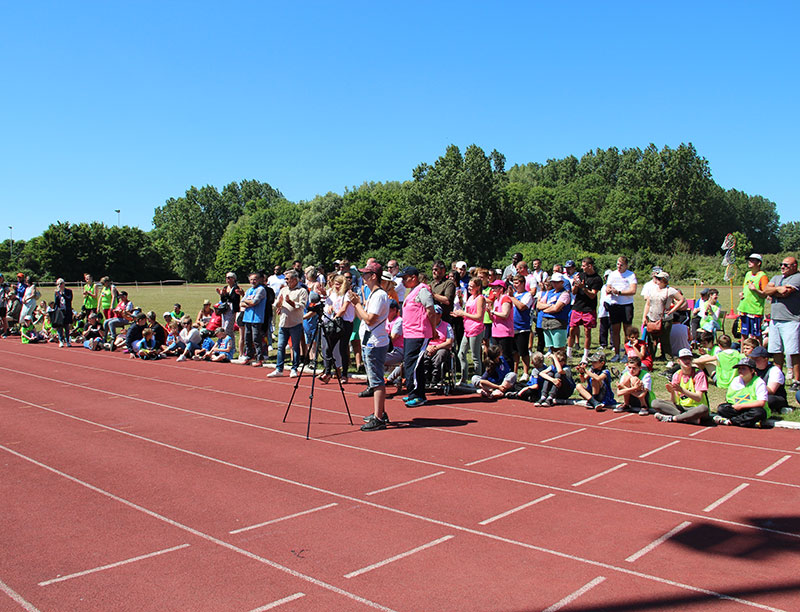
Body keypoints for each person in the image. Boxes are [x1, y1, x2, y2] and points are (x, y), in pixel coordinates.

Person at [348, 262, 391, 431]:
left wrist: (357, 304)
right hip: (371, 340)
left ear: (374, 276)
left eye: (366, 274)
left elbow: (370, 319)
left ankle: (379, 418)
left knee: (377, 381)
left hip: (375, 342)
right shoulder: (374, 294)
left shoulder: (379, 295)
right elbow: (365, 316)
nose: (363, 277)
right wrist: (356, 304)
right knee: (375, 379)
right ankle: (380, 412)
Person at [397, 266, 437, 408]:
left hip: (419, 333)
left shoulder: (423, 290)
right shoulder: (413, 291)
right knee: (411, 363)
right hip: (410, 333)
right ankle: (414, 392)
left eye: (404, 278)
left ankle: (418, 395)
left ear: (413, 277)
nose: (402, 281)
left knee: (413, 364)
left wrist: (433, 329)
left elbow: (430, 310)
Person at [763, 256, 800, 390]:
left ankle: (797, 380)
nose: (782, 267)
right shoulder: (777, 277)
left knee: (793, 352)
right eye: (781, 264)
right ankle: (778, 378)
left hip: (791, 320)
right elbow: (765, 291)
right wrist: (777, 289)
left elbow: (786, 292)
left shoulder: (797, 278)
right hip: (775, 319)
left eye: (786, 265)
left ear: (794, 266)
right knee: (776, 350)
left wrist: (775, 291)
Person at [652, 348, 711, 425]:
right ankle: (687, 418)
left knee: (703, 408)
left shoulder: (699, 374)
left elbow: (698, 398)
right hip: (681, 408)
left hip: (695, 408)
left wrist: (682, 390)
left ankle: (674, 418)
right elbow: (674, 402)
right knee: (655, 403)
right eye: (684, 359)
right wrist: (672, 392)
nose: (687, 361)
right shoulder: (677, 375)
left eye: (689, 358)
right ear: (678, 361)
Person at [268, 270, 308, 378]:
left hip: (295, 323)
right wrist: (279, 304)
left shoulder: (302, 291)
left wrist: (291, 303)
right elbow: (277, 304)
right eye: (285, 279)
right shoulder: (283, 290)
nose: (285, 281)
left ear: (295, 280)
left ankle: (294, 368)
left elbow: (302, 305)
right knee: (281, 347)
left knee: (295, 347)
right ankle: (279, 369)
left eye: (287, 279)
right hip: (283, 323)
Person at [643, 270, 686, 365]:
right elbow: (648, 304)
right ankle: (650, 359)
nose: (656, 280)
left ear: (664, 280)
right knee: (651, 340)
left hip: (665, 319)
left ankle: (669, 359)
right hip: (652, 318)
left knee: (664, 340)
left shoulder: (670, 290)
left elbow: (681, 299)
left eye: (658, 278)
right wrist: (644, 316)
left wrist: (673, 310)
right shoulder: (653, 289)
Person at [319, 273, 355, 383]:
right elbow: (330, 304)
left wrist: (336, 316)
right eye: (335, 284)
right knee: (328, 348)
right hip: (335, 322)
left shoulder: (348, 294)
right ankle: (328, 372)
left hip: (345, 323)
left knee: (343, 348)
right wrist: (329, 306)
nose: (337, 286)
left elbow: (344, 308)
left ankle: (344, 374)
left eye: (339, 284)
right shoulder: (333, 293)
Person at [714, 357, 769, 427]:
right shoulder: (736, 380)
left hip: (752, 408)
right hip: (738, 409)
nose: (740, 370)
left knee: (759, 412)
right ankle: (748, 422)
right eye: (739, 368)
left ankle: (732, 421)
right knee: (722, 408)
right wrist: (735, 407)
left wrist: (741, 406)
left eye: (743, 368)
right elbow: (730, 399)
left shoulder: (759, 382)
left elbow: (761, 403)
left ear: (752, 371)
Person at [452, 277, 486, 386]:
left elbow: (479, 316)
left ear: (478, 287)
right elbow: (467, 312)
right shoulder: (471, 297)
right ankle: (464, 378)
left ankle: (477, 380)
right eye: (469, 286)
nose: (470, 288)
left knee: (475, 356)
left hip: (476, 329)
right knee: (461, 353)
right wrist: (458, 314)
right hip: (467, 329)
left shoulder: (480, 298)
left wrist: (464, 314)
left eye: (472, 286)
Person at [568, 257, 603, 362]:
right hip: (577, 306)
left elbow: (592, 295)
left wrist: (583, 287)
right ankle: (569, 352)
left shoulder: (597, 279)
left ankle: (585, 355)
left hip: (589, 308)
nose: (582, 268)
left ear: (590, 266)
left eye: (584, 266)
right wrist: (576, 284)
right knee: (572, 329)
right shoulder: (580, 275)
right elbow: (574, 292)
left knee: (587, 331)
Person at [606, 256, 637, 362]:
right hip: (615, 305)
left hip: (627, 305)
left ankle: (627, 353)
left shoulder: (631, 275)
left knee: (627, 331)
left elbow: (633, 290)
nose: (619, 266)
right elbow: (607, 287)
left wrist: (619, 292)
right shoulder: (612, 274)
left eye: (621, 265)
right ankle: (617, 353)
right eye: (618, 264)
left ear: (626, 265)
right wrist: (610, 290)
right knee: (615, 330)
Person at [237, 272, 268, 366]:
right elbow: (241, 303)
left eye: (255, 279)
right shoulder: (249, 290)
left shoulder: (261, 289)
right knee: (247, 338)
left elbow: (254, 302)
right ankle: (249, 356)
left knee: (256, 339)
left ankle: (259, 358)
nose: (253, 281)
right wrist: (248, 302)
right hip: (247, 318)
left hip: (257, 318)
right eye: (251, 280)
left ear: (259, 280)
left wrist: (246, 301)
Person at [737, 253, 769, 340]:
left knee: (757, 334)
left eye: (752, 260)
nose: (749, 262)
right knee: (743, 334)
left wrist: (755, 289)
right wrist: (742, 294)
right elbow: (745, 288)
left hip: (755, 310)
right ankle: (742, 353)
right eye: (749, 260)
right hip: (744, 309)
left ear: (759, 263)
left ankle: (759, 352)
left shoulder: (763, 276)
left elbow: (765, 294)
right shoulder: (748, 274)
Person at [750, 345, 789, 415]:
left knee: (768, 399)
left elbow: (771, 391)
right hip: (755, 395)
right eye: (752, 359)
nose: (754, 361)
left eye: (757, 359)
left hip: (775, 397)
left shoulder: (774, 371)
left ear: (766, 359)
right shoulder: (751, 370)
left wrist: (754, 381)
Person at [536, 272, 570, 352]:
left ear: (562, 282)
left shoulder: (565, 294)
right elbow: (538, 305)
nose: (554, 284)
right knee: (551, 347)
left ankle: (561, 364)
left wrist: (544, 309)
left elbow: (556, 308)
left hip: (558, 322)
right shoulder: (549, 292)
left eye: (557, 282)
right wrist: (550, 306)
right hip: (546, 322)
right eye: (553, 282)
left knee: (559, 348)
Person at [422, 305, 455, 386]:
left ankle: (435, 378)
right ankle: (425, 378)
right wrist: (428, 348)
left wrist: (436, 348)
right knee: (423, 355)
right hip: (428, 347)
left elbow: (449, 342)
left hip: (441, 347)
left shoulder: (447, 326)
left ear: (440, 315)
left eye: (435, 314)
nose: (432, 316)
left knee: (441, 354)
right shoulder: (426, 325)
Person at [508, 274, 533, 381]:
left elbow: (522, 307)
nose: (515, 285)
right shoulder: (512, 295)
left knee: (523, 351)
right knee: (514, 352)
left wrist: (512, 297)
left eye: (517, 283)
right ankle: (514, 372)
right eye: (514, 283)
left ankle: (526, 372)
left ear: (523, 284)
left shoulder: (527, 295)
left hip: (522, 327)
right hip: (512, 327)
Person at [487, 279, 514, 364]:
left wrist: (493, 312)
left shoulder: (505, 298)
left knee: (506, 356)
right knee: (496, 356)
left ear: (501, 289)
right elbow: (493, 319)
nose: (493, 290)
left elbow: (505, 314)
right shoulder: (496, 300)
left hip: (505, 333)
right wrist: (489, 312)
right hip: (496, 332)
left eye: (495, 288)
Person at [216, 272, 243, 338]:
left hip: (232, 309)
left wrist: (226, 294)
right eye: (226, 278)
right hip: (225, 309)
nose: (227, 279)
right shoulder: (225, 287)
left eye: (229, 278)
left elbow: (234, 299)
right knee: (223, 325)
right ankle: (226, 343)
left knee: (228, 328)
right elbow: (223, 300)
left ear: (233, 279)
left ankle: (231, 345)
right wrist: (222, 295)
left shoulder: (236, 288)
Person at [54, 278, 74, 346]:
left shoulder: (69, 291)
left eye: (61, 284)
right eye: (58, 284)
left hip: (67, 311)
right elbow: (56, 303)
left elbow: (69, 299)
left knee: (66, 327)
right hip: (60, 311)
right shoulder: (56, 292)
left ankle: (68, 341)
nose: (59, 285)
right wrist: (57, 296)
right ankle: (61, 340)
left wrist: (63, 294)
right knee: (60, 327)